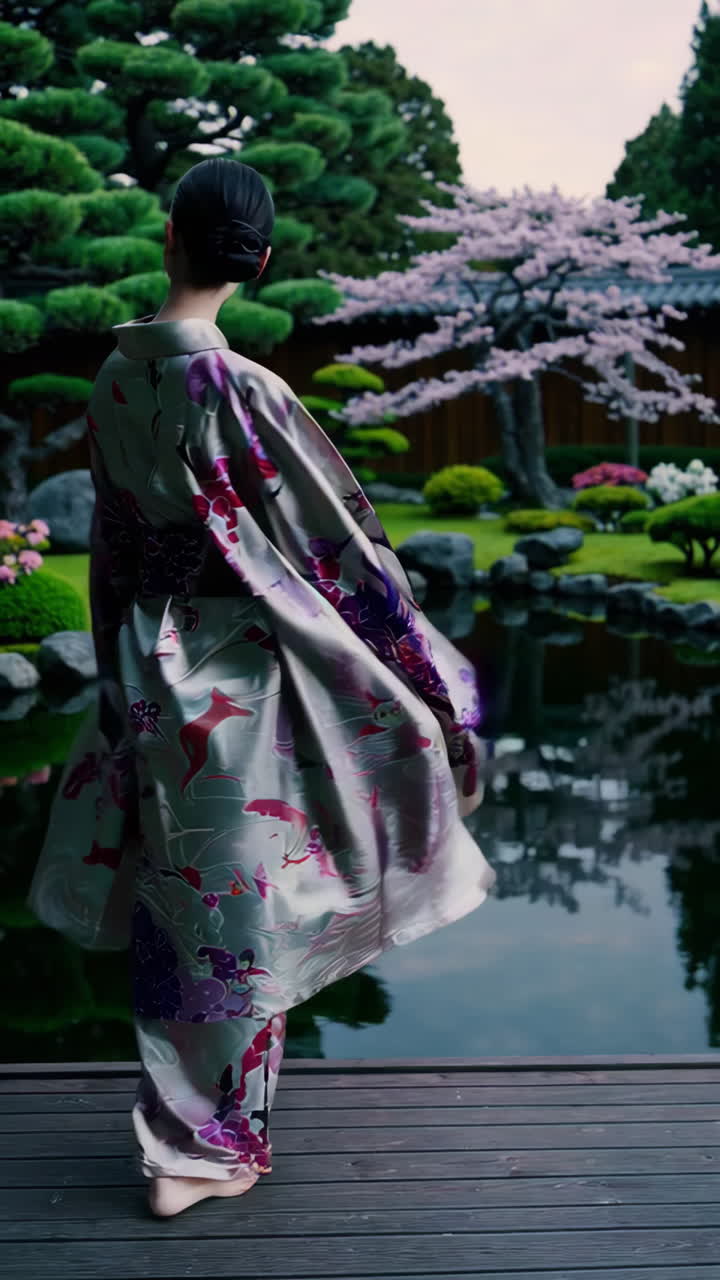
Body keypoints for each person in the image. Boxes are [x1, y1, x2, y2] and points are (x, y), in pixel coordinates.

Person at [28, 157, 496, 1218]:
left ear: (168, 241)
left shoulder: (114, 379)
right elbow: (344, 554)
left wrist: (111, 666)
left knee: (192, 896)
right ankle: (205, 1143)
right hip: (241, 664)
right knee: (239, 899)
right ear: (263, 259)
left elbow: (109, 542)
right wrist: (435, 686)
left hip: (151, 658)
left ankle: (203, 1132)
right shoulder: (240, 387)